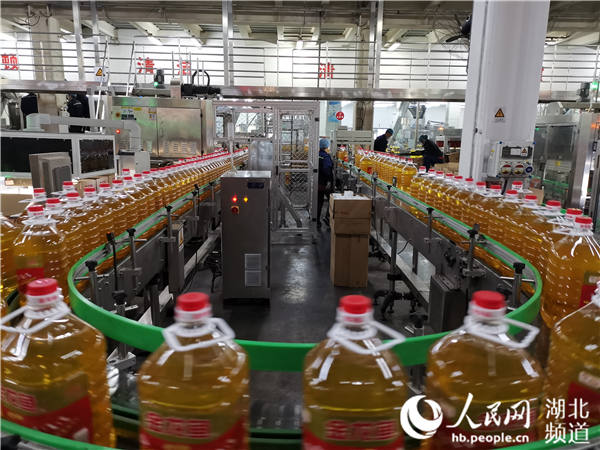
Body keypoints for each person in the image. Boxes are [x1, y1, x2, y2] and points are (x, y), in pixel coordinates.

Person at [317, 137, 334, 228]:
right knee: (332, 199)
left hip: (316, 181)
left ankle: (316, 219)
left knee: (318, 201)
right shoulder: (326, 156)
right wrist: (329, 181)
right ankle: (327, 217)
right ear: (327, 146)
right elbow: (327, 169)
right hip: (323, 182)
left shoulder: (317, 154)